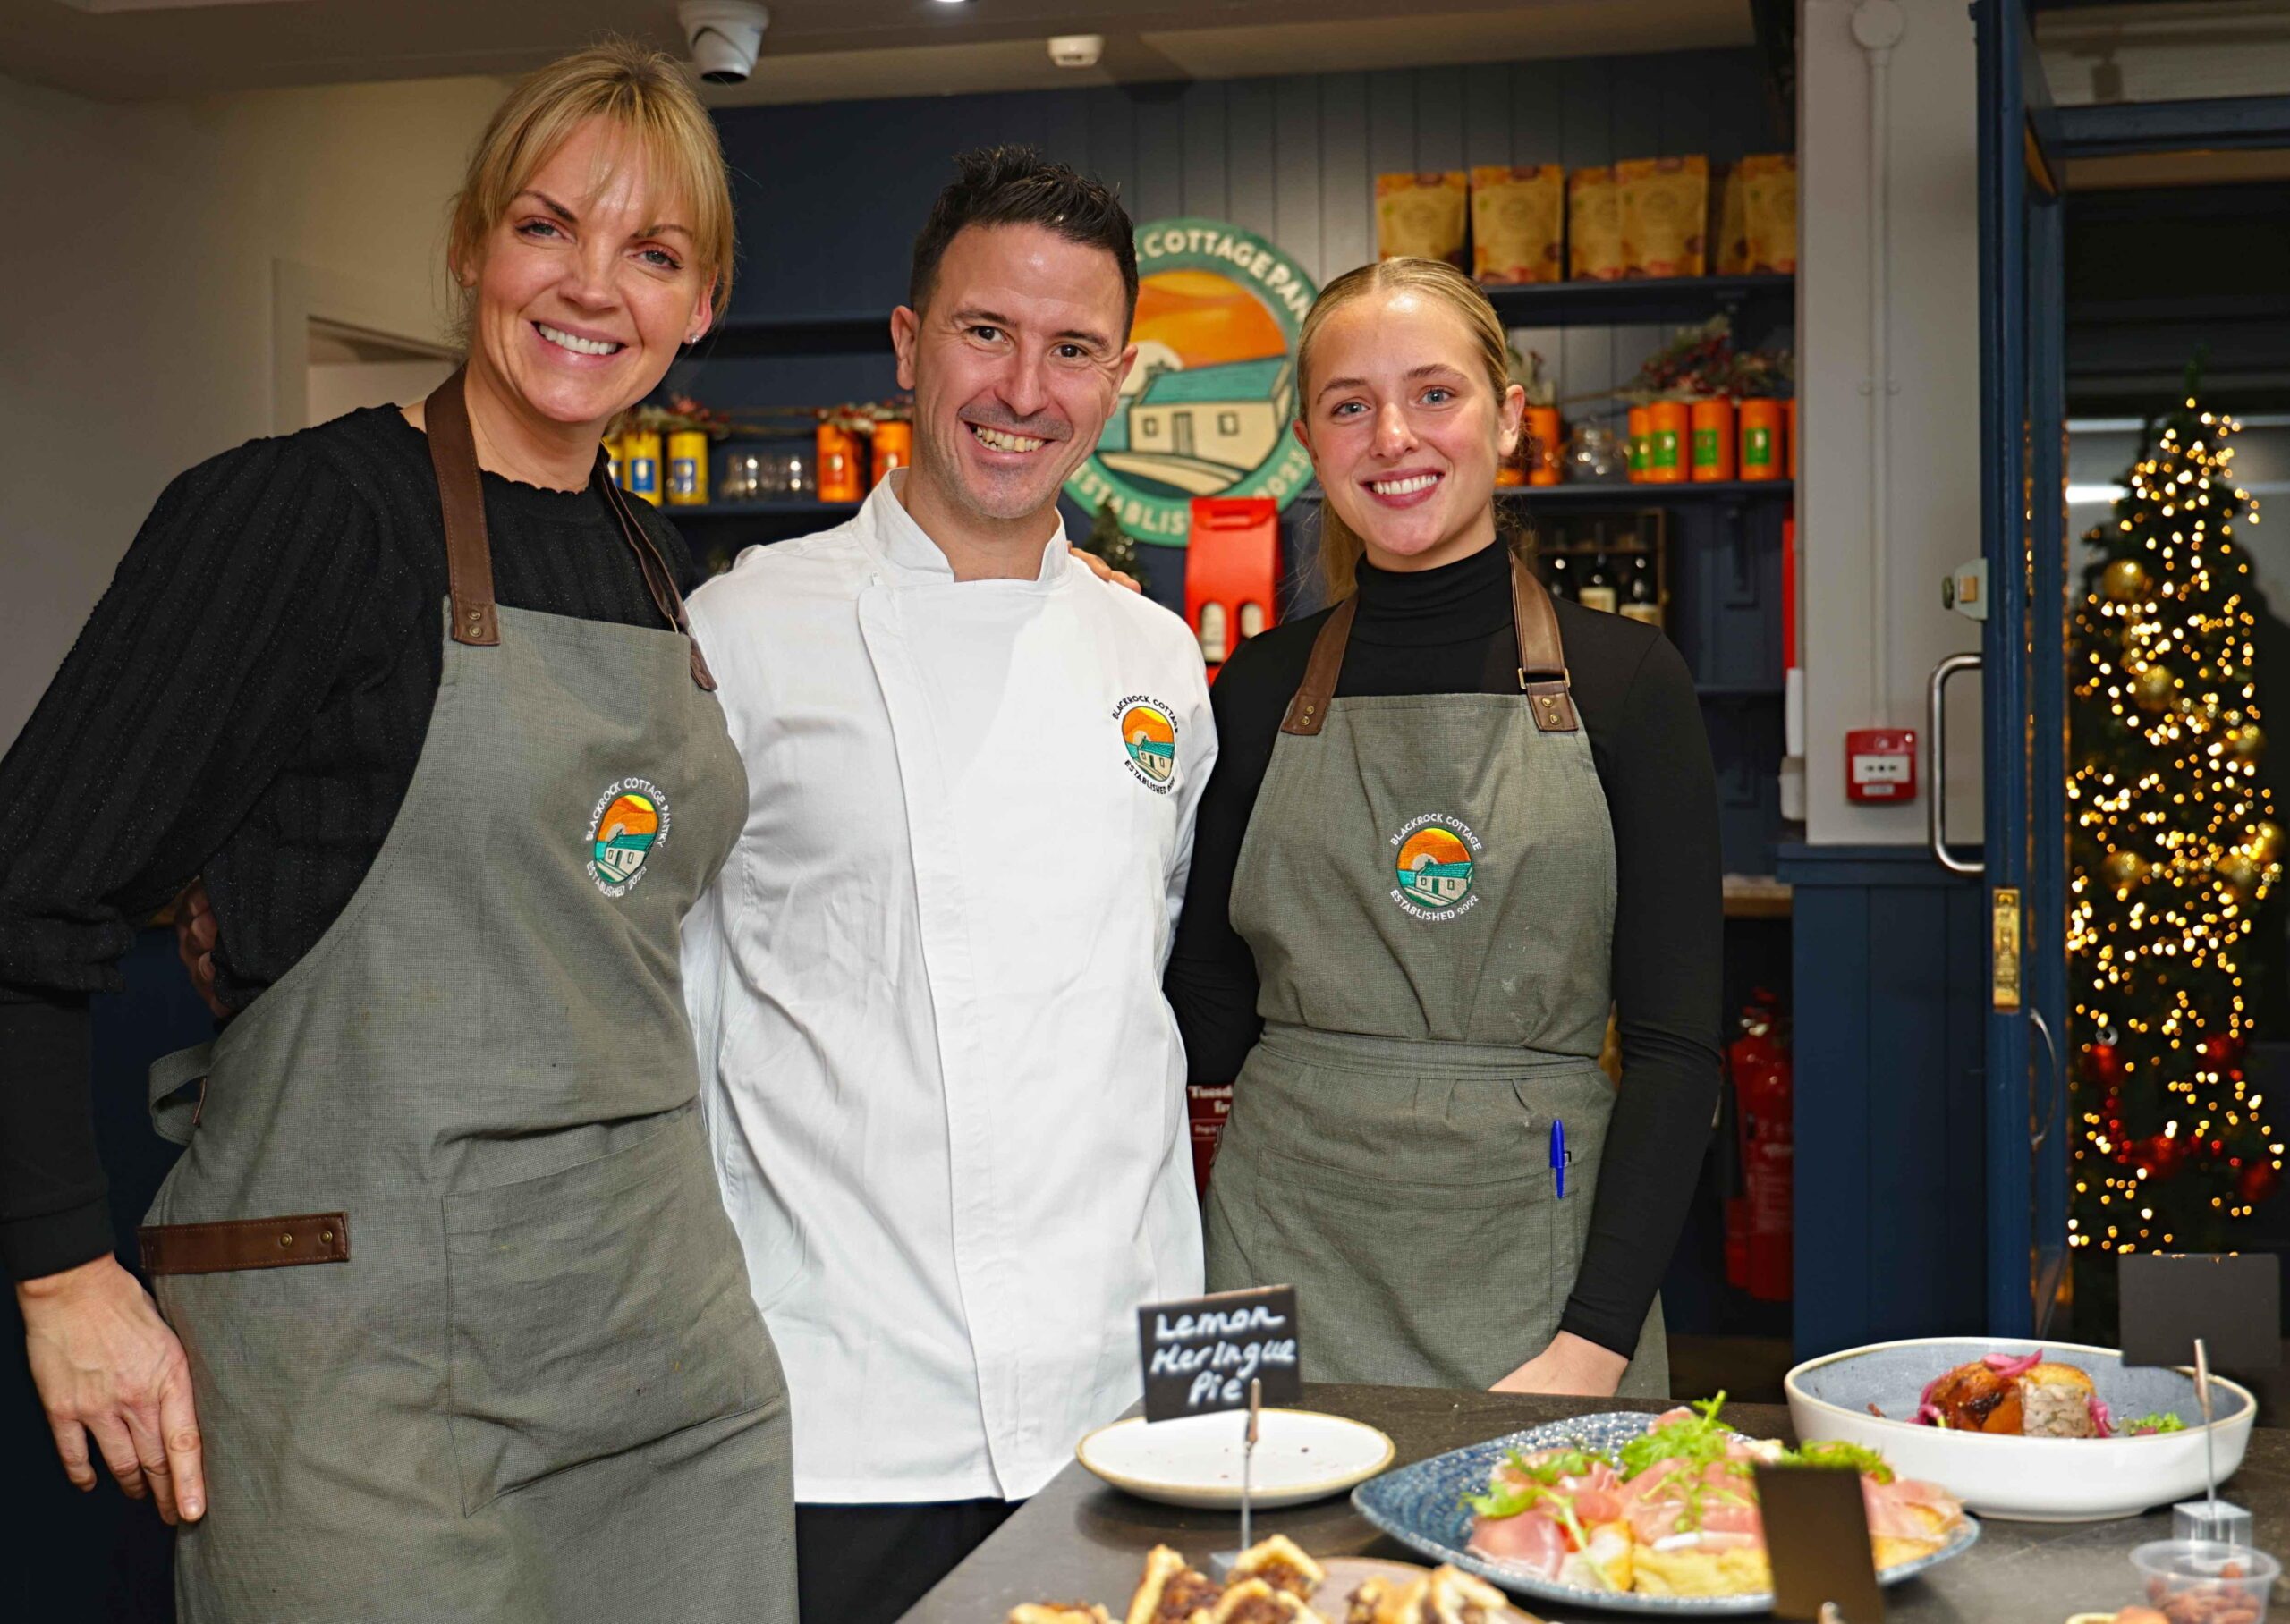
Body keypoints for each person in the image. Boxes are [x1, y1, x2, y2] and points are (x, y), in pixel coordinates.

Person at [0, 45, 795, 1620]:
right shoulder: (305, 519)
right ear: (469, 246)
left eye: (653, 253)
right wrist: (61, 1274)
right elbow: (29, 899)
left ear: (702, 303)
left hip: (667, 1366)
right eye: (546, 228)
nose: (591, 288)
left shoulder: (652, 557)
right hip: (367, 1382)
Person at [677, 148, 1214, 1624]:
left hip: (1118, 1396)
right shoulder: (743, 629)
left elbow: (1132, 985)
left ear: (1116, 384)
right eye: (987, 333)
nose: (1024, 389)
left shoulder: (1154, 658)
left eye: (1074, 350)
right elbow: (667, 995)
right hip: (843, 1412)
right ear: (911, 347)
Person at [1162, 258, 1723, 1400]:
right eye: (1349, 405)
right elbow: (1202, 1011)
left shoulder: (1627, 682)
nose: (1392, 438)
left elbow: (1675, 1053)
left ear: (1507, 418)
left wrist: (1592, 1345)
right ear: (1311, 441)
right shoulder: (1257, 688)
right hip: (1275, 1259)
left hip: (1541, 1284)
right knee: (1249, 1575)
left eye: (1434, 394)